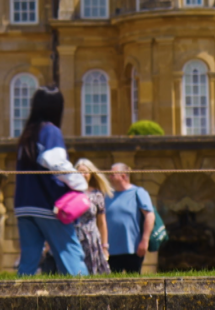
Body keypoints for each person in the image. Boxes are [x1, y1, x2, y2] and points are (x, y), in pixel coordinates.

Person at [14, 85, 89, 276]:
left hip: (24, 205)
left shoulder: (27, 135)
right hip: (49, 205)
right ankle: (86, 294)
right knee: (70, 254)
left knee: (28, 263)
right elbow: (53, 160)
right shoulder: (51, 131)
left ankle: (19, 294)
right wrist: (80, 182)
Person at [104, 163, 155, 274]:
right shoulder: (107, 196)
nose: (109, 177)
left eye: (112, 175)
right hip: (111, 250)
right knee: (111, 283)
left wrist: (145, 240)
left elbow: (150, 216)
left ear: (123, 176)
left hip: (133, 249)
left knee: (134, 281)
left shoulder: (138, 192)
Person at [74, 158, 114, 275]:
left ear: (91, 174)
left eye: (85, 172)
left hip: (91, 238)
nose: (82, 175)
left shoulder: (97, 194)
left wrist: (105, 246)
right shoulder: (70, 192)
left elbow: (102, 223)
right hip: (74, 237)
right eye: (79, 172)